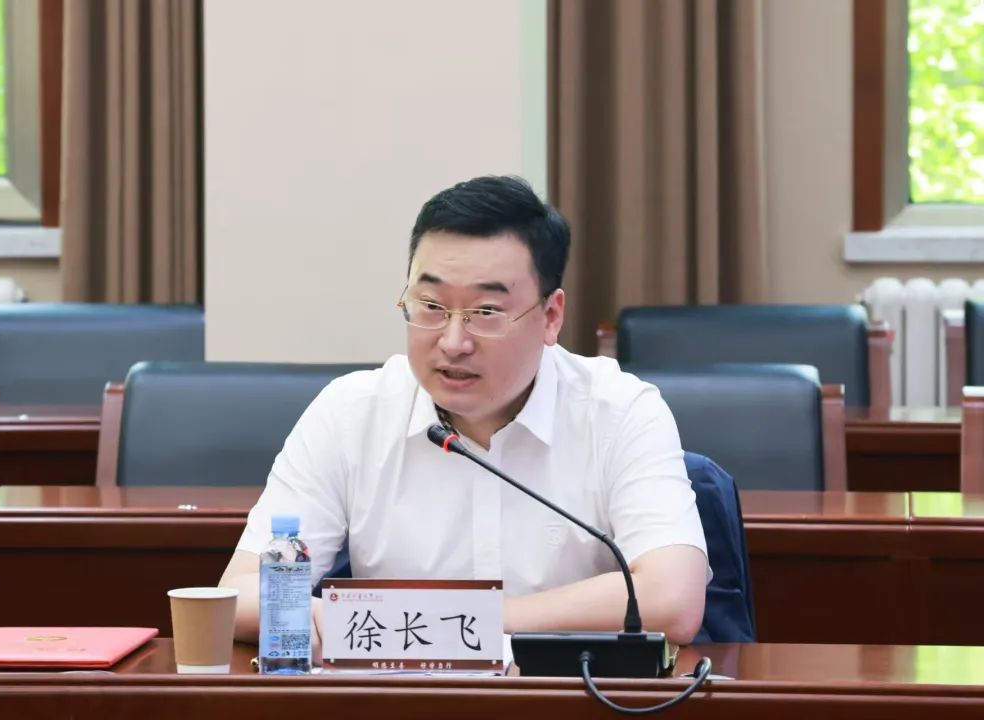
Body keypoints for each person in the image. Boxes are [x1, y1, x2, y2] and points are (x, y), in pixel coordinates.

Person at [219, 175, 708, 660]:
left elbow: (673, 598)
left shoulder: (619, 411)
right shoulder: (351, 413)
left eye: (486, 311)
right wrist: (317, 616)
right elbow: (239, 591)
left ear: (551, 316)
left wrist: (461, 623)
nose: (453, 342)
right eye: (431, 306)